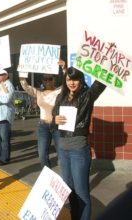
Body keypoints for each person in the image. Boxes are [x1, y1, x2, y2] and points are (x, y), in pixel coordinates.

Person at [52, 67, 106, 220]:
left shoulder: (87, 95)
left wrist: (106, 66)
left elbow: (100, 83)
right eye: (69, 79)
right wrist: (55, 120)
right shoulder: (60, 97)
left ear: (81, 80)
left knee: (81, 192)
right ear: (65, 81)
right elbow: (53, 120)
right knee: (70, 191)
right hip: (63, 149)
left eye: (75, 79)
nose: (72, 83)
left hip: (78, 150)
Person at [19, 60, 65, 169]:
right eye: (45, 79)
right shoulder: (38, 92)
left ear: (54, 79)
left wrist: (64, 68)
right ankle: (47, 175)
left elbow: (68, 83)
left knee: (62, 154)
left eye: (50, 78)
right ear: (42, 81)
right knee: (42, 154)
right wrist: (21, 71)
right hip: (43, 126)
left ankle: (66, 177)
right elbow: (25, 86)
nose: (48, 81)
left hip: (57, 126)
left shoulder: (59, 91)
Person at [0, 69, 15, 165]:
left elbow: (7, 99)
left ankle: (5, 159)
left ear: (6, 75)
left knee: (4, 139)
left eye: (0, 75)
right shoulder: (0, 85)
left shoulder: (9, 85)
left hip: (4, 116)